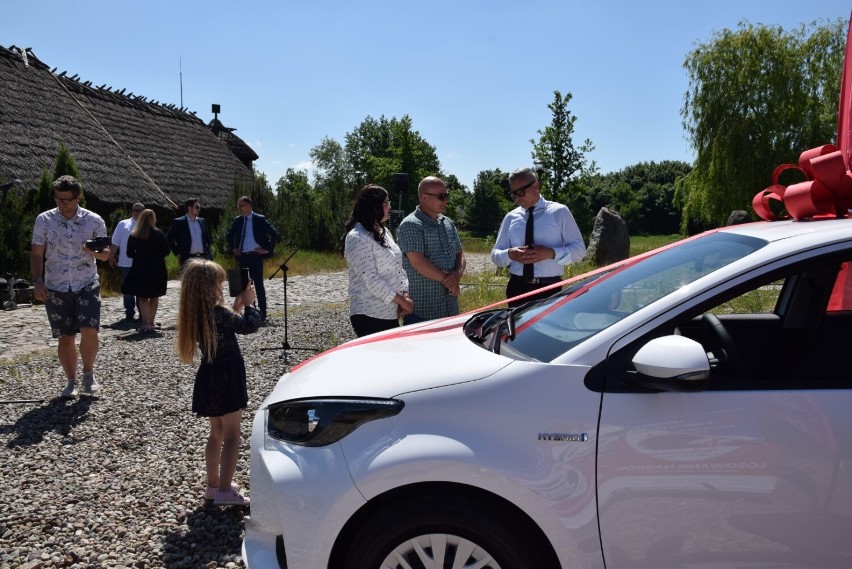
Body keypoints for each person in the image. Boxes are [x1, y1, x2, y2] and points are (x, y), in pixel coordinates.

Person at [175, 259, 261, 506]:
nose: (222, 287)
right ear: (208, 287)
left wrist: (236, 305)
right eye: (218, 283)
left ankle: (213, 485)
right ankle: (225, 490)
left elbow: (228, 323)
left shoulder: (197, 314)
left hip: (210, 376)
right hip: (228, 376)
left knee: (217, 434)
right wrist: (250, 304)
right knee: (233, 435)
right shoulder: (219, 313)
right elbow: (249, 326)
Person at [30, 175, 110, 398]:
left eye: (66, 200)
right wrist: (38, 281)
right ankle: (71, 381)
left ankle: (88, 374)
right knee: (65, 337)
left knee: (89, 330)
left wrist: (91, 251)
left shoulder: (94, 221)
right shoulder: (44, 220)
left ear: (78, 198)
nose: (62, 204)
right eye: (58, 199)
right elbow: (37, 253)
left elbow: (105, 255)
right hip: (55, 285)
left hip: (86, 282)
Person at [491, 167, 586, 307]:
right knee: (517, 329)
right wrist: (510, 254)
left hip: (549, 289)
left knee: (549, 329)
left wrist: (551, 253)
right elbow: (495, 255)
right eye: (514, 194)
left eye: (521, 192)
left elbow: (580, 250)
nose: (517, 198)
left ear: (536, 186)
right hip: (517, 288)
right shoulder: (510, 217)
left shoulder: (559, 212)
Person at [342, 185, 413, 337]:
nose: (390, 206)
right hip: (369, 314)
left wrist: (404, 294)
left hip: (390, 312)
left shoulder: (384, 232)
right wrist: (402, 301)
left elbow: (398, 267)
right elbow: (371, 279)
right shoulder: (357, 237)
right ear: (373, 206)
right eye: (386, 202)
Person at [397, 176, 466, 323]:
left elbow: (459, 253)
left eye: (447, 195)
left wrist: (457, 275)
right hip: (423, 313)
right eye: (442, 196)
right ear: (424, 198)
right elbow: (418, 262)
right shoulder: (411, 225)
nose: (446, 200)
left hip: (450, 309)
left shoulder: (448, 223)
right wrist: (449, 281)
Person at [226, 196, 279, 321]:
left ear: (249, 206)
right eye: (238, 206)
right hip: (243, 256)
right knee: (244, 285)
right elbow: (229, 235)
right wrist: (234, 248)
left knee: (258, 284)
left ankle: (262, 312)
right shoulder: (238, 220)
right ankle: (249, 311)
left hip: (256, 256)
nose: (239, 208)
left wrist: (267, 249)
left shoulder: (259, 219)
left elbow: (274, 234)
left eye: (242, 205)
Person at [121, 209, 170, 332]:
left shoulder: (134, 235)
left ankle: (145, 322)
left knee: (142, 296)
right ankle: (151, 322)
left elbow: (129, 253)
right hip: (157, 268)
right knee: (154, 295)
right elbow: (166, 251)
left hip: (140, 268)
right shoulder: (159, 234)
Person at [108, 202, 144, 321]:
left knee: (141, 288)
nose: (136, 212)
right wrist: (111, 256)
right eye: (134, 210)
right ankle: (129, 311)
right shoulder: (123, 224)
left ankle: (142, 312)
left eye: (139, 210)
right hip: (126, 262)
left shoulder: (146, 225)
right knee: (128, 288)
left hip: (142, 263)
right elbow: (115, 242)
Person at [166, 198, 212, 267]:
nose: (199, 209)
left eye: (199, 207)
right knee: (189, 278)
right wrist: (178, 252)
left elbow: (207, 239)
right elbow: (169, 238)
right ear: (189, 208)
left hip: (204, 258)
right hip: (188, 258)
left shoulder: (202, 221)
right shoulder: (179, 222)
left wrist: (208, 251)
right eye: (197, 207)